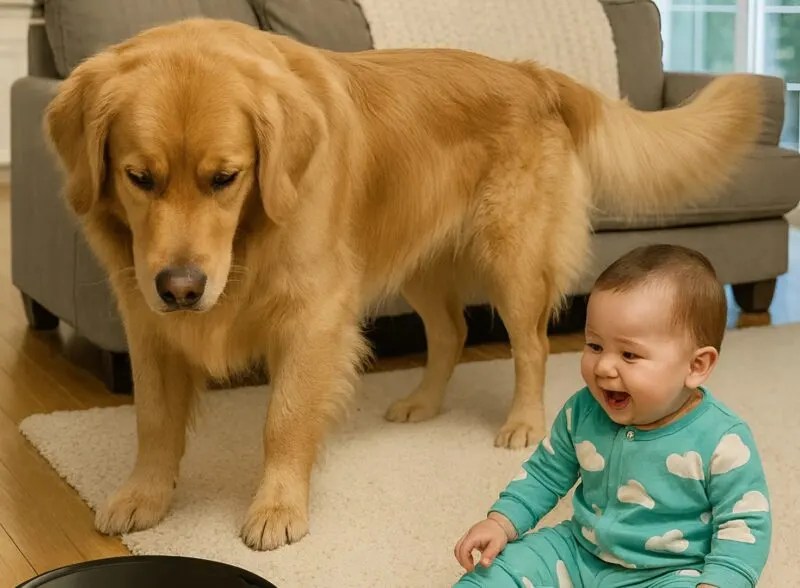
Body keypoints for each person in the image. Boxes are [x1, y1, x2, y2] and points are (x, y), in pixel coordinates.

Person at [453, 244, 771, 588]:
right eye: (594, 346)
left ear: (696, 366)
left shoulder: (724, 439)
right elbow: (544, 475)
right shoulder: (583, 410)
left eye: (630, 354)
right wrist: (501, 522)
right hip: (579, 551)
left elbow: (745, 525)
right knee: (498, 570)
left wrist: (719, 582)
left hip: (670, 571)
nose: (604, 367)